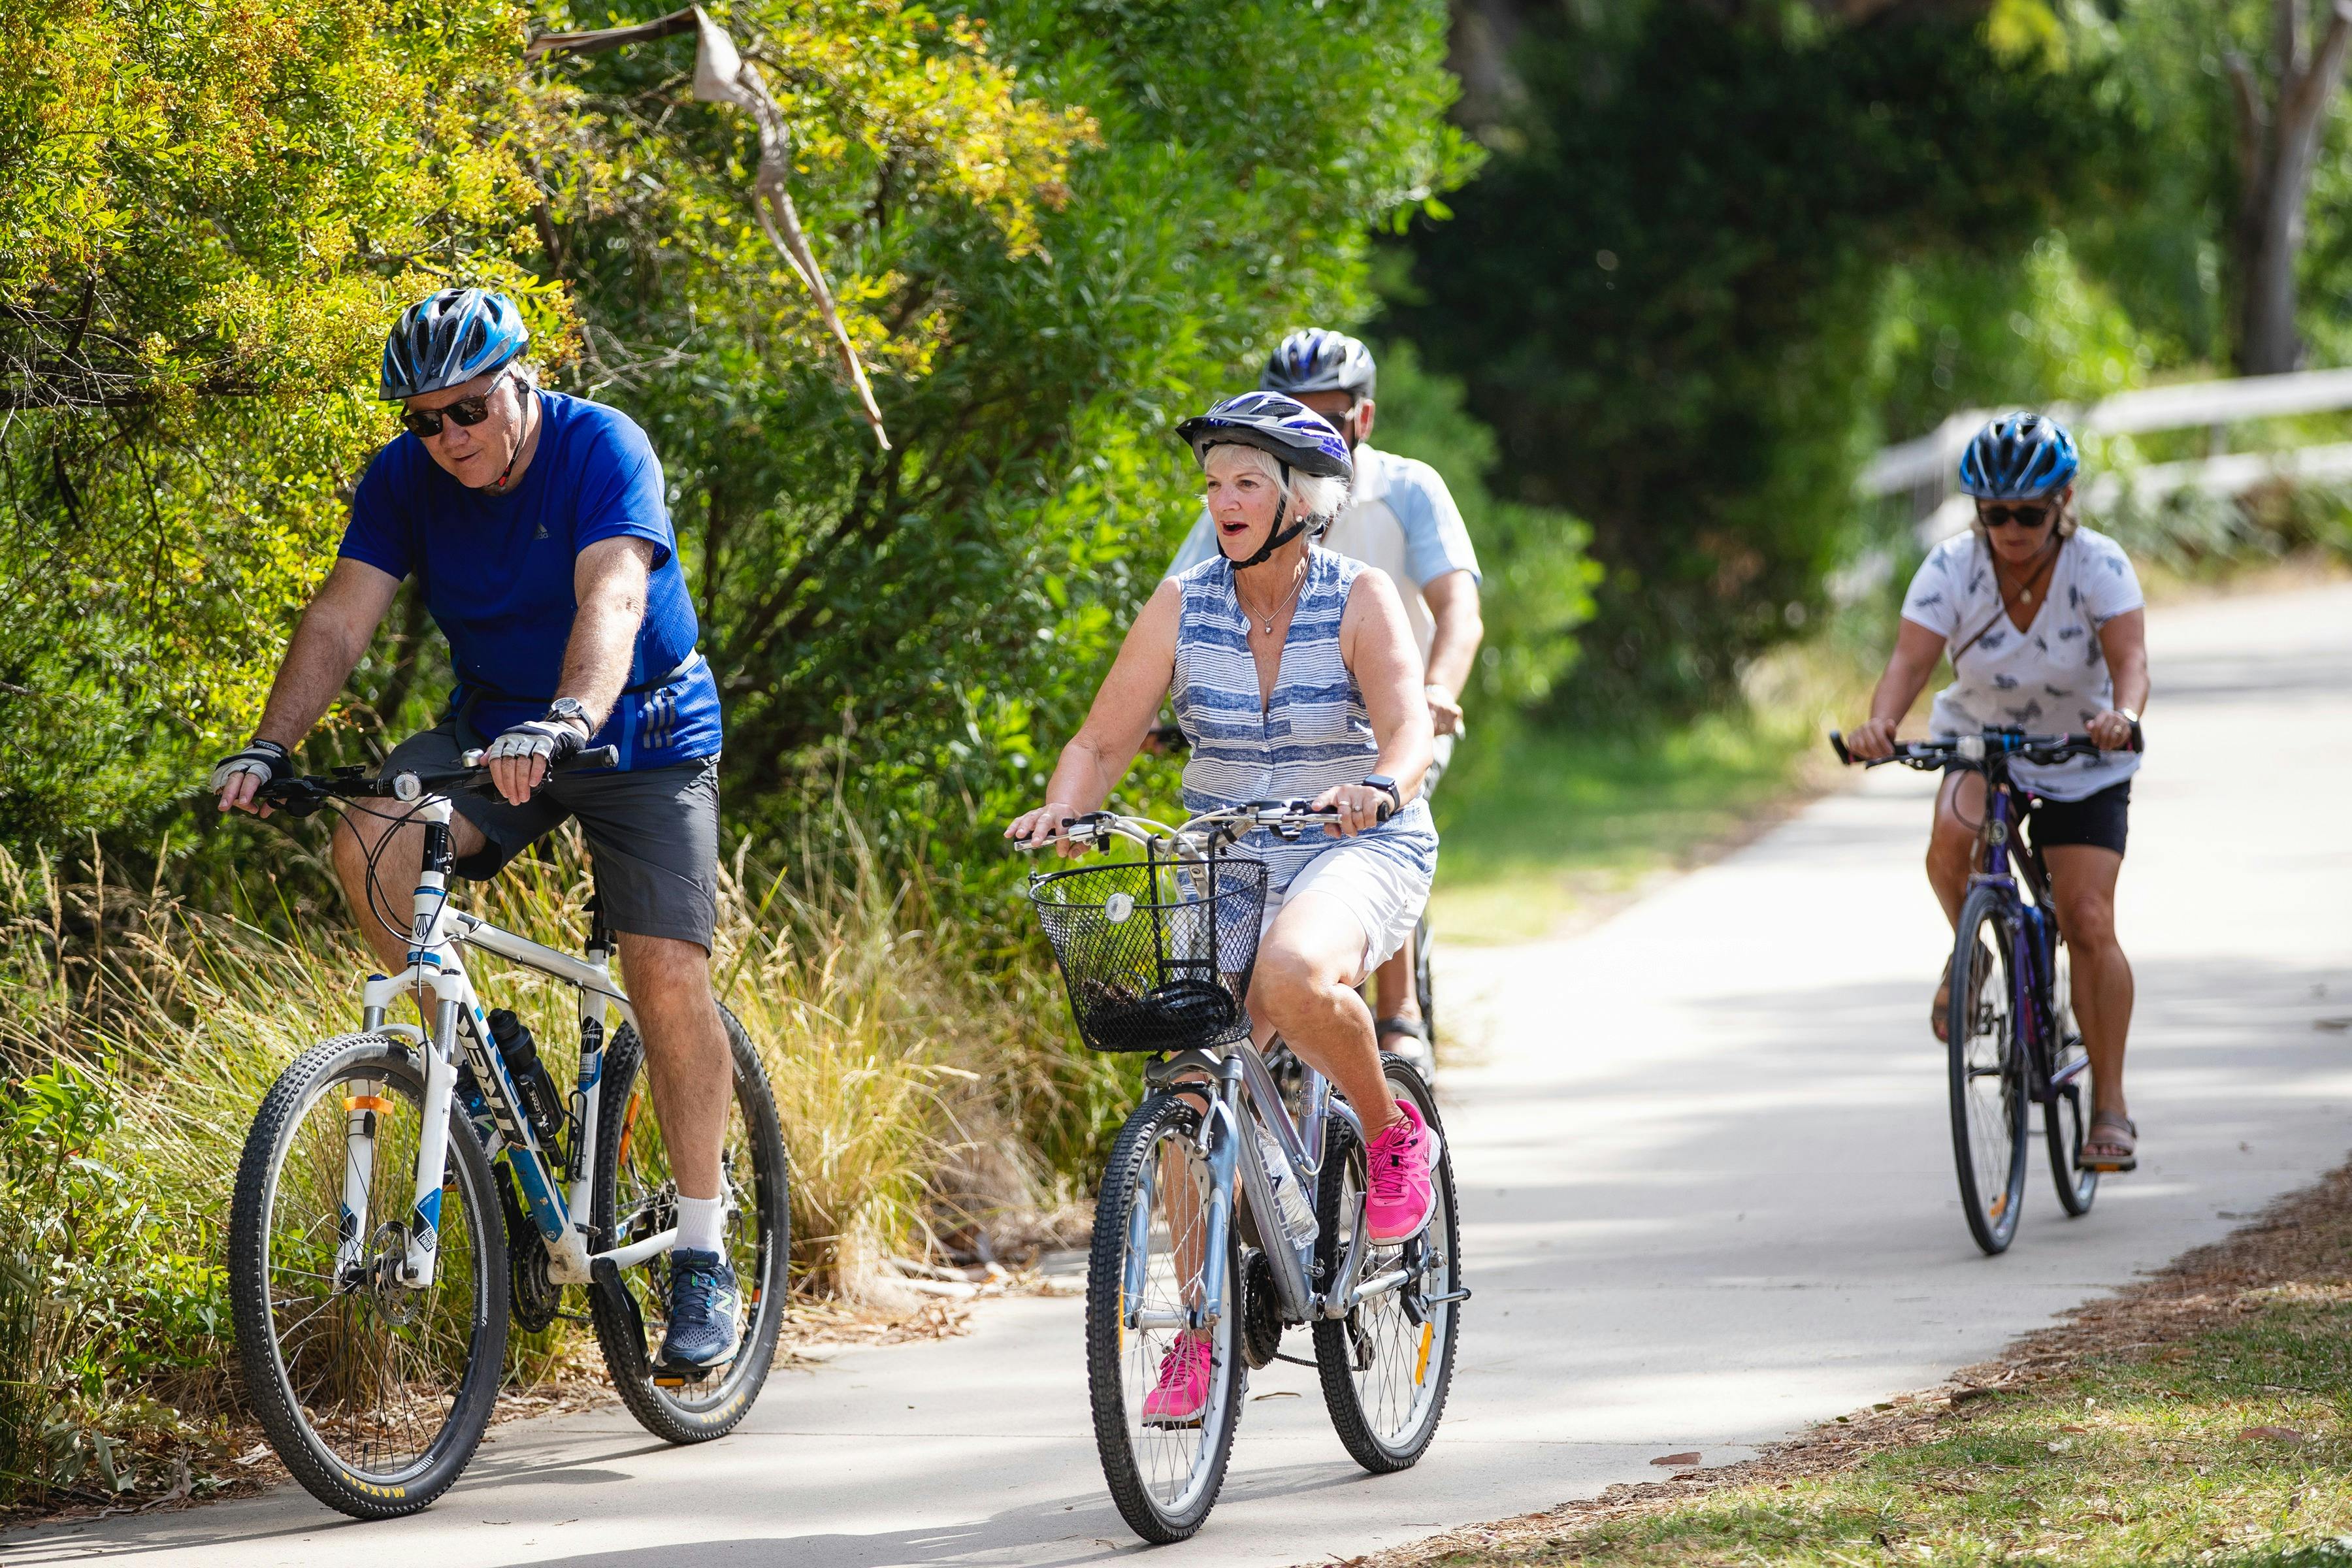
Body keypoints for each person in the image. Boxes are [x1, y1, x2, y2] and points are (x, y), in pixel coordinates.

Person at [208, 287, 744, 1369]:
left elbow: (614, 600)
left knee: (664, 972)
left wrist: (569, 719)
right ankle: (492, 1074)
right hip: (498, 734)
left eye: (468, 408)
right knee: (369, 836)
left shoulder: (602, 447)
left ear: (520, 381)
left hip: (637, 731)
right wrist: (267, 744)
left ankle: (702, 1249)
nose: (449, 435)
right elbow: (342, 614)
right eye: (424, 417)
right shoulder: (406, 479)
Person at [1010, 390, 1441, 1423]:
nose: (1223, 500)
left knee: (1292, 978)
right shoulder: (1183, 602)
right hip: (1230, 857)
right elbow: (1103, 741)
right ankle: (1204, 1331)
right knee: (1188, 1077)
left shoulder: (1361, 595)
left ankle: (1390, 1136)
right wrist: (1066, 809)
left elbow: (1410, 734)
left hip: (1358, 843)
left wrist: (1380, 784)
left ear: (1304, 497)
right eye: (1213, 482)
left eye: (1247, 480)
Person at [1167, 330, 1482, 1072]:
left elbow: (1459, 611)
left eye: (1329, 415)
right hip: (1286, 721)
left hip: (1393, 710)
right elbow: (1185, 608)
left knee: (1380, 808)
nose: (1307, 427)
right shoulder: (1246, 495)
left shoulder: (1406, 487)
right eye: (1288, 410)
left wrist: (1437, 690)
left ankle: (1396, 1014)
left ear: (1362, 422)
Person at [1845, 412, 2150, 1172]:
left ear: (2063, 503)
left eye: (2028, 514)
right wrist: (1882, 724)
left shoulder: (2100, 566)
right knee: (1950, 846)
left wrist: (2124, 716)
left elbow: (2132, 660)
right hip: (1982, 741)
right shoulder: (1952, 568)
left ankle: (2108, 1104)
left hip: (2082, 752)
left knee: (2085, 917)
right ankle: (1977, 953)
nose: (2010, 529)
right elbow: (1910, 662)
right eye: (1994, 514)